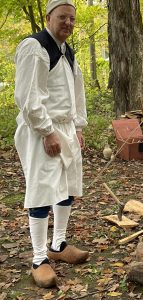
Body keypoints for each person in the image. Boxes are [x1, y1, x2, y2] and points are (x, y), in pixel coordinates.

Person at [14, 0, 88, 288]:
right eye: (62, 17)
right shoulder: (36, 47)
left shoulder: (66, 50)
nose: (68, 23)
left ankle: (58, 245)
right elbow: (28, 96)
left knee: (66, 186)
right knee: (43, 190)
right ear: (48, 17)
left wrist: (78, 126)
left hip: (66, 128)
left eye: (71, 18)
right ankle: (38, 258)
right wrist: (47, 131)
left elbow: (76, 91)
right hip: (41, 129)